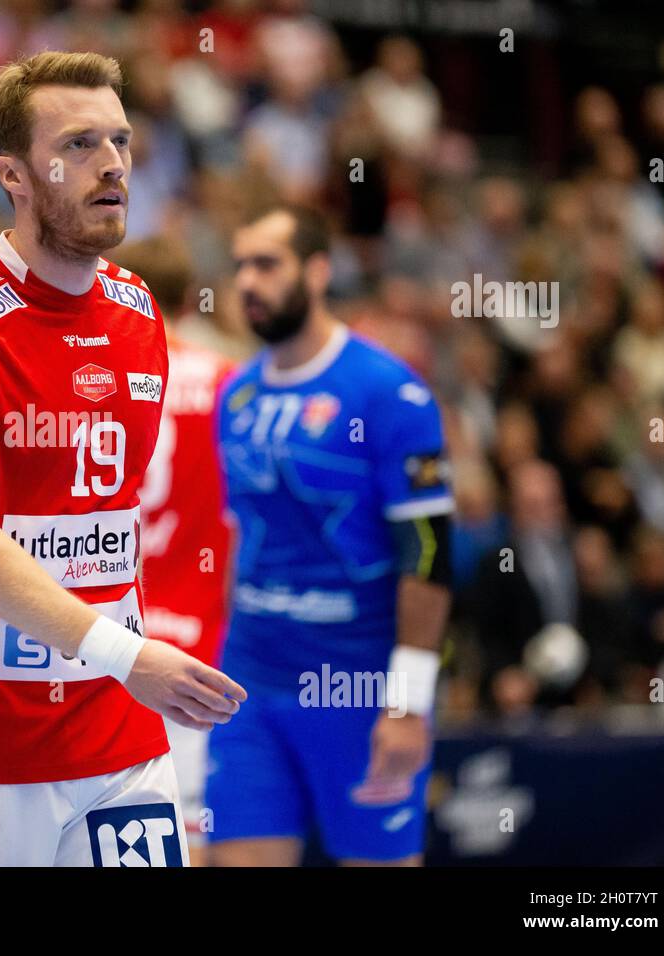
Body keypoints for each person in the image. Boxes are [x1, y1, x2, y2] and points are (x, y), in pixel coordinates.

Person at [0, 51, 245, 868]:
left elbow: (109, 524)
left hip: (119, 734)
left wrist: (125, 663)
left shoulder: (138, 309)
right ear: (13, 172)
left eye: (119, 140)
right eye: (78, 145)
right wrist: (125, 655)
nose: (112, 164)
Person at [208, 203, 454, 866]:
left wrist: (407, 705)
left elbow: (428, 556)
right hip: (251, 686)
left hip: (358, 690)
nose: (247, 283)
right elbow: (239, 538)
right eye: (238, 268)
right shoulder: (235, 396)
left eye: (267, 264)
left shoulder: (387, 393)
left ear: (317, 271)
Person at [116, 236, 236, 864]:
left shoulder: (98, 369)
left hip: (106, 639)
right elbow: (244, 527)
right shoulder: (227, 383)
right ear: (194, 297)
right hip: (198, 643)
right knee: (187, 831)